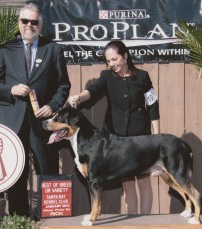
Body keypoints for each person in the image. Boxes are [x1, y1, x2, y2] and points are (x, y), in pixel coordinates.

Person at [0, 3, 71, 217]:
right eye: (25, 21)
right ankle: (19, 220)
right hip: (13, 122)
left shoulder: (53, 49)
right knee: (16, 173)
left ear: (41, 25)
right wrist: (11, 89)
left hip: (42, 123)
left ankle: (50, 219)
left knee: (48, 168)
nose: (29, 25)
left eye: (34, 22)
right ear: (19, 22)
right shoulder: (5, 49)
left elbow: (63, 85)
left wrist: (52, 105)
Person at [68, 40, 160, 214]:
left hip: (140, 138)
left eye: (114, 59)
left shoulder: (143, 76)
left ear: (125, 56)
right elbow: (92, 90)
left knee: (144, 183)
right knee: (128, 185)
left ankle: (147, 223)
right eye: (108, 61)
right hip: (116, 139)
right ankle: (133, 224)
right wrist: (79, 98)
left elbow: (153, 105)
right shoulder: (107, 76)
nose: (111, 64)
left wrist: (157, 136)